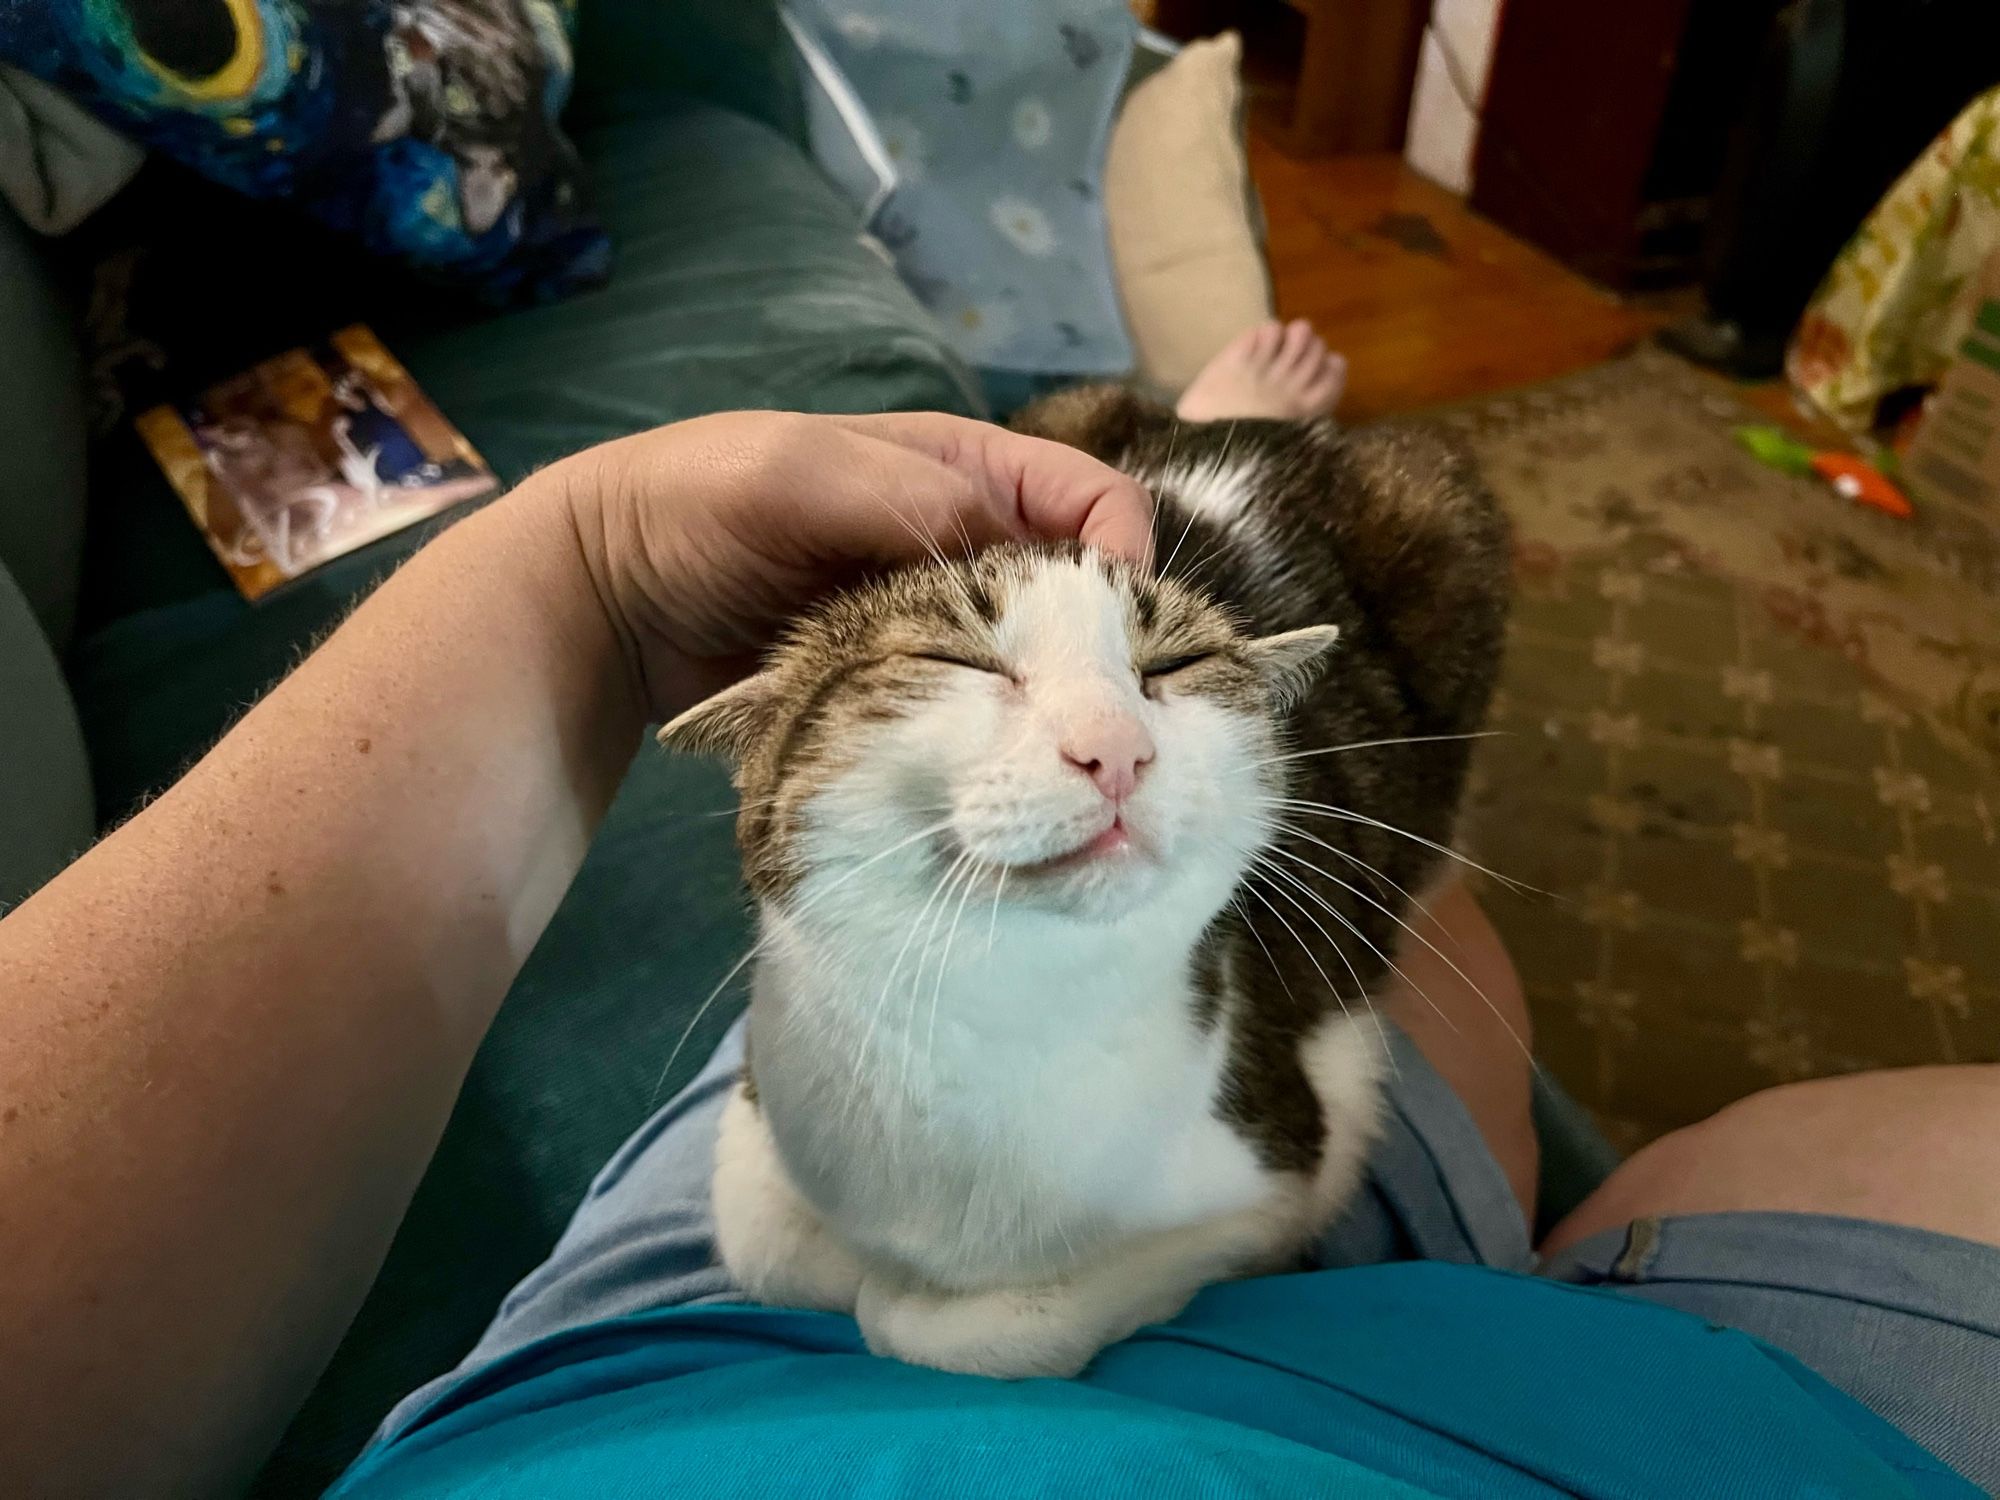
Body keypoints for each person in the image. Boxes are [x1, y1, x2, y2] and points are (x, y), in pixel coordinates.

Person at [0, 323, 1992, 1499]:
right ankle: (1183, 472)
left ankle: (1186, 507)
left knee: (1387, 882)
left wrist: (592, 563)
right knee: (1441, 972)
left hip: (671, 1396)